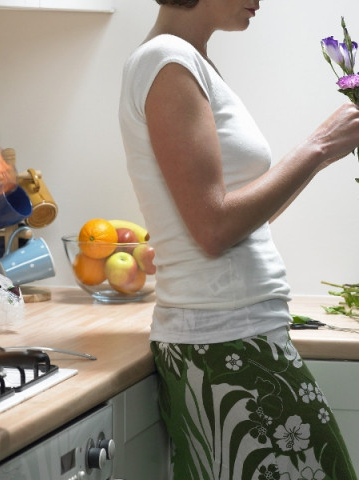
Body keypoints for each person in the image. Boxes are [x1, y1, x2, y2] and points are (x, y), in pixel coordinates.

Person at [118, 1, 359, 479]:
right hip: (221, 340)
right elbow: (213, 229)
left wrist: (322, 157)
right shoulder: (166, 62)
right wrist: (318, 146)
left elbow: (238, 216)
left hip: (235, 332)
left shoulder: (188, 59)